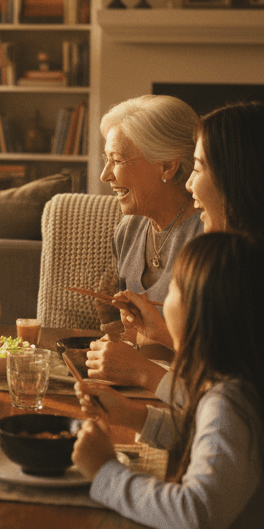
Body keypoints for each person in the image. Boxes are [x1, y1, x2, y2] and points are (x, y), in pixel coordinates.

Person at [91, 99, 264, 529]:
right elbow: (239, 420)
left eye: (197, 167)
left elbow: (234, 417)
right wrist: (137, 412)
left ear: (241, 178)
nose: (190, 185)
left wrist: (141, 380)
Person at [73, 232, 264, 529]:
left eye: (173, 291)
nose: (163, 300)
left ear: (205, 314)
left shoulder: (230, 400)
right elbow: (225, 446)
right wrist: (137, 417)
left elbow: (198, 515)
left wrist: (104, 471)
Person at [86, 95, 201, 383]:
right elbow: (137, 338)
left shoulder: (209, 236)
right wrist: (110, 322)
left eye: (117, 160)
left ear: (167, 167)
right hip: (139, 388)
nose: (105, 175)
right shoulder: (129, 229)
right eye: (106, 160)